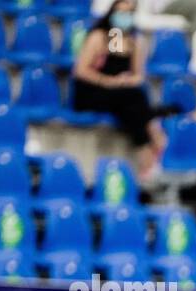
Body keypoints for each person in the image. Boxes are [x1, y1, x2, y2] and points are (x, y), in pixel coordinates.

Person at [71, 0, 165, 180]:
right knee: (131, 98)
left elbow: (139, 76)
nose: (124, 17)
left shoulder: (133, 42)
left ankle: (145, 151)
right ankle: (154, 138)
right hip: (92, 92)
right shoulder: (98, 37)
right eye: (120, 12)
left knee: (132, 97)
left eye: (128, 13)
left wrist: (126, 80)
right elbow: (81, 71)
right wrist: (108, 81)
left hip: (120, 96)